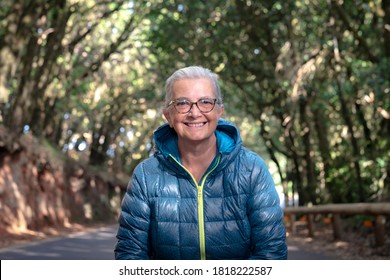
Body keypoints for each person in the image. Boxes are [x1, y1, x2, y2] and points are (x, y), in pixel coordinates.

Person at [114, 66, 287, 260]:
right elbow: (130, 255)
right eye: (182, 103)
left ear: (219, 111)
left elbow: (272, 253)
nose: (194, 113)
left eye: (205, 102)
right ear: (168, 116)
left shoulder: (252, 169)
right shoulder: (146, 176)